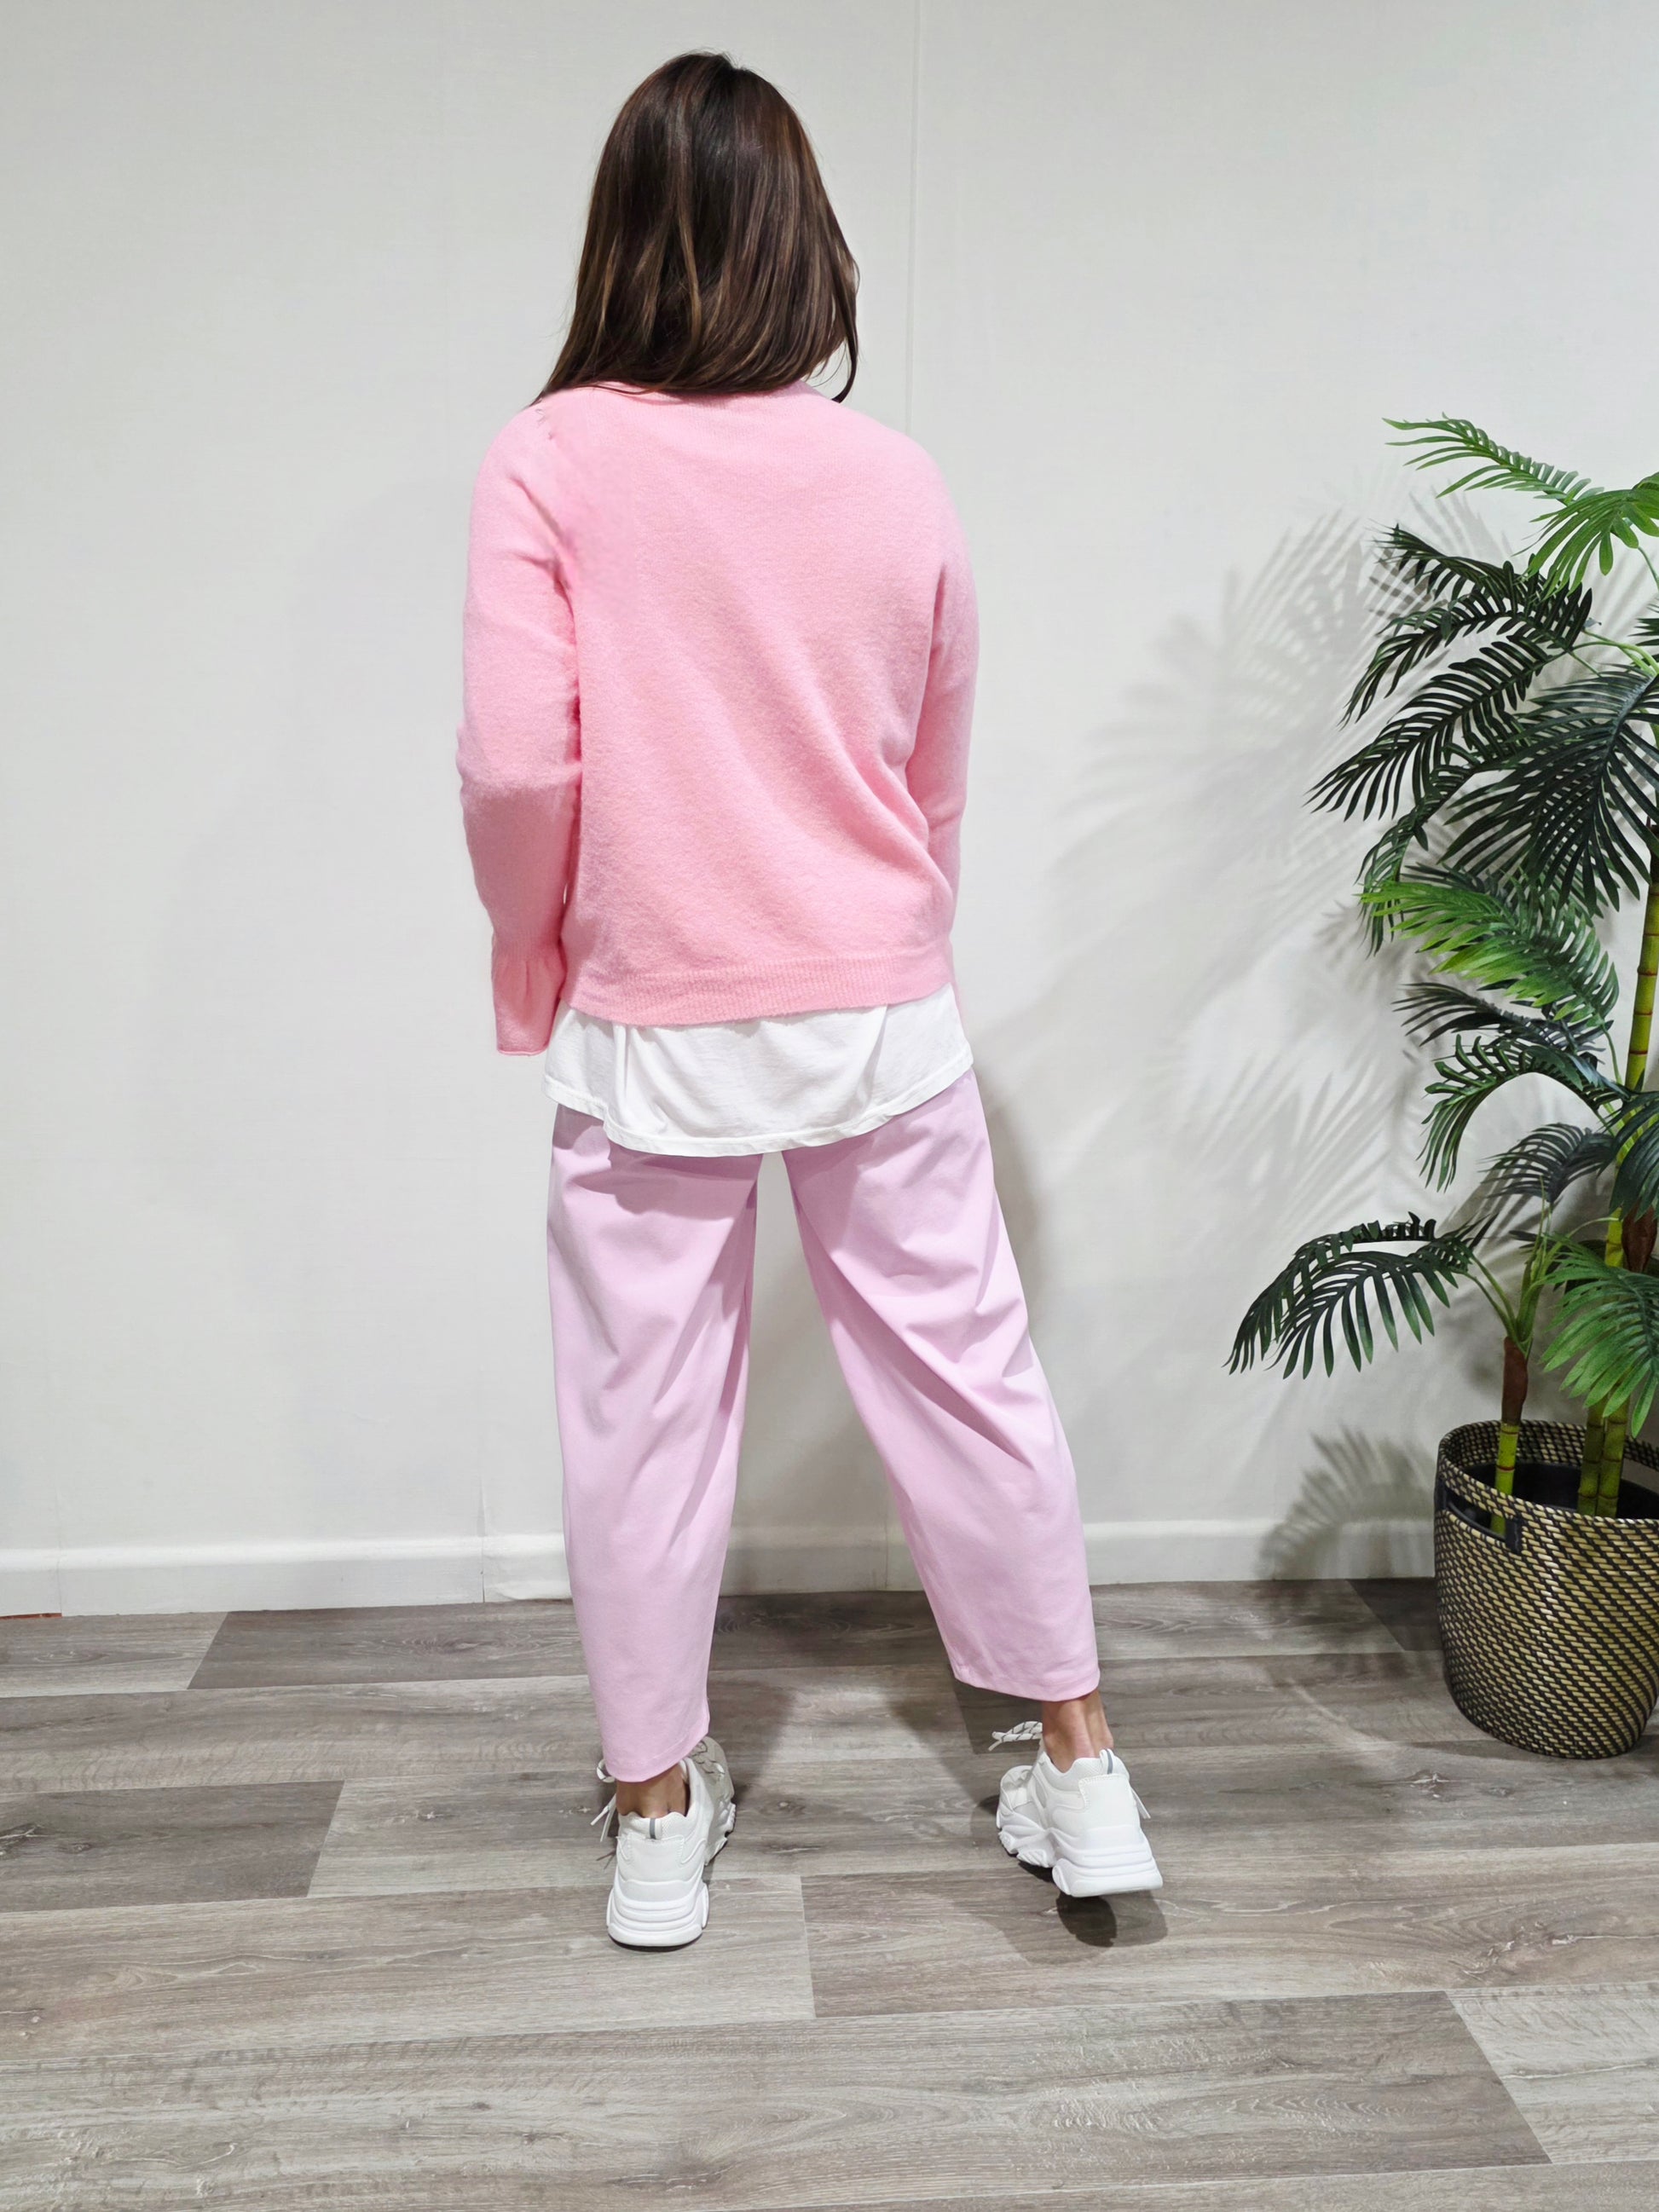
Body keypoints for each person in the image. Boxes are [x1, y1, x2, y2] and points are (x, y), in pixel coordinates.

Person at [455, 49, 1160, 1950]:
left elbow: (517, 767)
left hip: (651, 1012)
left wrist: (536, 952)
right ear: (804, 241)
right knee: (969, 1378)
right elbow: (935, 765)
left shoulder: (549, 459)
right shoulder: (894, 478)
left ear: (622, 238)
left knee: (639, 1415)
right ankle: (1082, 1765)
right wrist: (891, 933)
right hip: (875, 1000)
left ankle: (654, 1811)